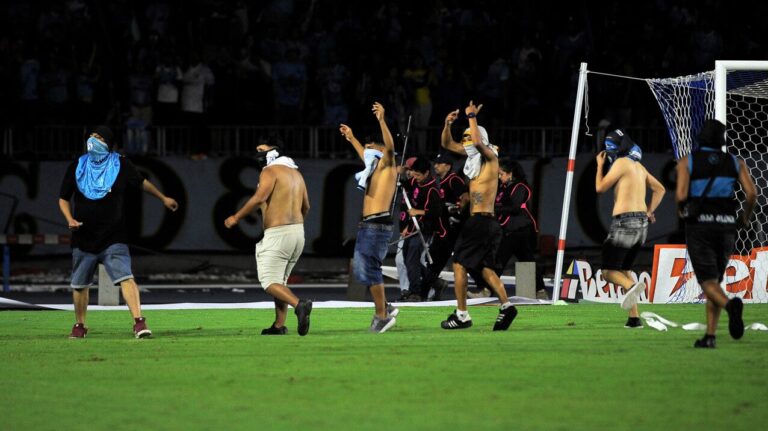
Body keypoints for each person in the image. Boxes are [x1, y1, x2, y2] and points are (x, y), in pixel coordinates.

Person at [59, 126, 179, 339]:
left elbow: (142, 183)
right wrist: (70, 219)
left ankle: (139, 322)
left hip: (113, 236)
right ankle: (79, 325)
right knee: (79, 284)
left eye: (99, 137)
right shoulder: (77, 166)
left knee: (126, 277)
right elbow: (63, 198)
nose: (93, 140)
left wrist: (163, 198)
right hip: (83, 237)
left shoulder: (121, 164)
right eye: (92, 136)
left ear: (108, 143)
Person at [438, 103, 518, 330]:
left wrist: (471, 116)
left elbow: (478, 143)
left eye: (468, 137)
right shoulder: (473, 158)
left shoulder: (490, 157)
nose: (465, 142)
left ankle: (462, 314)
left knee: (458, 264)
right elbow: (446, 143)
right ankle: (506, 306)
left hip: (481, 221)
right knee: (483, 268)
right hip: (482, 222)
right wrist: (447, 124)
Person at [676, 119, 756, 348]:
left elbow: (681, 196)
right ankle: (710, 337)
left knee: (708, 282)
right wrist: (744, 218)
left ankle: (731, 307)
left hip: (700, 227)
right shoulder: (735, 162)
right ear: (722, 139)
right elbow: (751, 194)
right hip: (726, 227)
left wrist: (683, 213)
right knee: (715, 282)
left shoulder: (687, 161)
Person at [224, 144, 313, 336]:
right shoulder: (296, 174)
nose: (258, 151)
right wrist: (293, 226)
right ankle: (279, 326)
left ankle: (300, 305)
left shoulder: (270, 171)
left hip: (278, 235)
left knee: (269, 282)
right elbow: (307, 206)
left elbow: (258, 198)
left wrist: (236, 217)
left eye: (262, 149)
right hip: (298, 233)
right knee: (280, 282)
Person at [595, 128, 666, 328]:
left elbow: (600, 188)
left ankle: (632, 287)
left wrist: (600, 166)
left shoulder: (621, 163)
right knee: (625, 269)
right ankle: (634, 318)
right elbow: (660, 189)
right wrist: (650, 211)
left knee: (608, 272)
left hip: (624, 222)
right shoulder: (639, 167)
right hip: (642, 225)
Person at [340, 102, 399, 333]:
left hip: (377, 224)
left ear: (380, 148)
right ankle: (385, 306)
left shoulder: (387, 162)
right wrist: (352, 138)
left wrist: (382, 120)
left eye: (369, 147)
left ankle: (381, 316)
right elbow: (365, 155)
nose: (366, 151)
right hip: (369, 224)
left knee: (369, 269)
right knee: (362, 270)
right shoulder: (374, 167)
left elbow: (391, 148)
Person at [474, 160, 548, 299]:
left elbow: (514, 208)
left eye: (501, 174)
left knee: (500, 260)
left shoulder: (520, 187)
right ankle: (541, 290)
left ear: (510, 174)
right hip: (509, 229)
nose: (499, 177)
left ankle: (487, 289)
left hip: (519, 229)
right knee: (527, 260)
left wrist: (493, 210)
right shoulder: (502, 187)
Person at [420, 149, 469, 301]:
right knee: (433, 262)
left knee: (438, 262)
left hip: (452, 231)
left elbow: (465, 197)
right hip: (443, 230)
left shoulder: (454, 180)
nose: (436, 166)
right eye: (435, 163)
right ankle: (426, 292)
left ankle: (423, 294)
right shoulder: (441, 182)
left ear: (448, 166)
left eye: (440, 164)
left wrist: (457, 211)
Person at [397, 155, 444, 301]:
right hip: (413, 227)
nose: (415, 177)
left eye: (418, 175)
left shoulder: (432, 189)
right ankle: (436, 282)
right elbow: (405, 185)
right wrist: (401, 172)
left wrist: (419, 212)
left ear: (426, 173)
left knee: (412, 259)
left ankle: (415, 292)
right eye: (414, 174)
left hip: (424, 229)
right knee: (408, 258)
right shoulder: (415, 182)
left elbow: (438, 212)